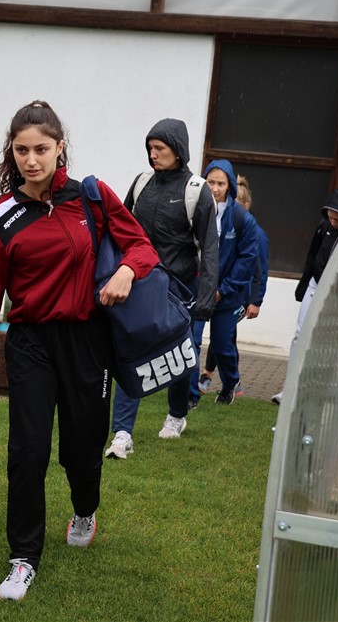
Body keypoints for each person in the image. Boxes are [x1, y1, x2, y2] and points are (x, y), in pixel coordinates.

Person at [0, 101, 158, 601]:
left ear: (59, 148)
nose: (31, 160)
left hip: (88, 341)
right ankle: (23, 558)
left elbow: (142, 247)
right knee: (27, 452)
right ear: (11, 151)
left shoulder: (92, 196)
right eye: (21, 150)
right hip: (30, 343)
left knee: (83, 450)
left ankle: (85, 510)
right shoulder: (0, 216)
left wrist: (127, 271)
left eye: (41, 149)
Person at [104, 118, 217, 459]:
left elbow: (210, 248)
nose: (153, 154)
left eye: (160, 148)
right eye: (150, 148)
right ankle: (122, 434)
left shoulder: (197, 190)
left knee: (180, 356)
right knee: (132, 351)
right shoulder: (142, 184)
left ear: (177, 151)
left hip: (180, 288)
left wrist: (206, 297)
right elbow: (119, 226)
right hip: (141, 284)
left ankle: (177, 415)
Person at [272, 185, 338, 405]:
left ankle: (318, 389)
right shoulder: (323, 226)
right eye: (330, 217)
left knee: (327, 340)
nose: (333, 222)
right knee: (299, 335)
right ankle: (290, 388)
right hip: (315, 284)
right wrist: (303, 287)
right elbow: (312, 256)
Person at [197, 174, 268, 403]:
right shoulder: (209, 217)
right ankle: (200, 384)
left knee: (223, 341)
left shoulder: (252, 230)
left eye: (221, 184)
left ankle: (227, 381)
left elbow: (257, 268)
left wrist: (256, 300)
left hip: (233, 296)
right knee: (201, 340)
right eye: (211, 183)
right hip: (208, 292)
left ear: (245, 205)